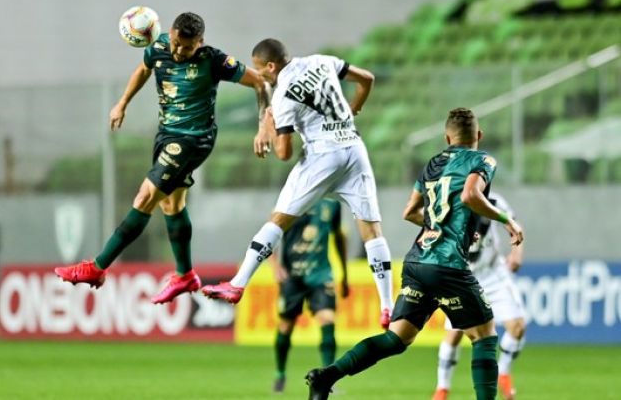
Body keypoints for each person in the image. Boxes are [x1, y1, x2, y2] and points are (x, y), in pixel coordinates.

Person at [304, 107, 525, 400]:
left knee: (397, 338)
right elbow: (471, 195)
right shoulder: (482, 159)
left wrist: (450, 227)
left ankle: (326, 376)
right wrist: (506, 220)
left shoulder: (433, 164)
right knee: (484, 336)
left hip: (418, 261)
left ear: (447, 137)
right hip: (448, 265)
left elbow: (410, 212)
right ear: (479, 136)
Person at [55, 12, 270, 304]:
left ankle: (97, 267)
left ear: (200, 42)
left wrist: (263, 126)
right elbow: (143, 70)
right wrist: (122, 103)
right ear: (170, 33)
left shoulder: (214, 60)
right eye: (177, 44)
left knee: (145, 197)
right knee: (172, 203)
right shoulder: (157, 48)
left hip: (193, 139)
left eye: (188, 47)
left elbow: (260, 82)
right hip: (166, 136)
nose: (180, 52)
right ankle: (185, 275)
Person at [201, 38, 395, 329]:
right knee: (372, 231)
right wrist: (354, 108)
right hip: (355, 150)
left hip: (322, 156)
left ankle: (238, 284)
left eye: (260, 69)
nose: (261, 76)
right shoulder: (322, 60)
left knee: (278, 221)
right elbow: (366, 79)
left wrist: (268, 125)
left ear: (271, 65)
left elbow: (284, 153)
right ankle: (388, 307)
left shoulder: (283, 95)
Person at [432, 192, 526, 400]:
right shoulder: (448, 202)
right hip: (462, 276)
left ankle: (503, 373)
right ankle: (442, 389)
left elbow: (513, 223)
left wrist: (516, 253)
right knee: (455, 334)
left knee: (518, 327)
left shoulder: (492, 200)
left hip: (492, 273)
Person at [270, 198, 349, 393]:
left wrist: (344, 274)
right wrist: (275, 266)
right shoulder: (291, 199)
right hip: (293, 276)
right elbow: (270, 233)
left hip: (320, 275)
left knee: (327, 319)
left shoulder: (332, 205)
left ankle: (328, 378)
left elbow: (339, 237)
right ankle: (280, 374)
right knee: (286, 326)